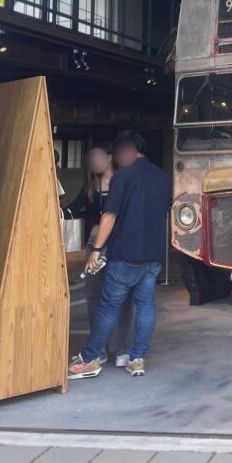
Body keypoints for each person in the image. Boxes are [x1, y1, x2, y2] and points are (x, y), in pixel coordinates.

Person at [68, 131, 172, 378]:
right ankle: (137, 358)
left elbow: (109, 216)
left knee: (108, 307)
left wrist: (95, 250)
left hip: (125, 253)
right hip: (153, 255)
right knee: (145, 306)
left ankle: (90, 359)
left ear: (129, 152)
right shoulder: (163, 177)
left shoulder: (123, 177)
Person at [64, 144, 134, 367]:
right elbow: (73, 209)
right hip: (95, 245)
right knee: (94, 296)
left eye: (98, 157)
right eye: (90, 160)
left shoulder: (123, 183)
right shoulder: (90, 188)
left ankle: (121, 348)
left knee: (122, 297)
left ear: (110, 157)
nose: (95, 163)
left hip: (120, 245)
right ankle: (99, 348)